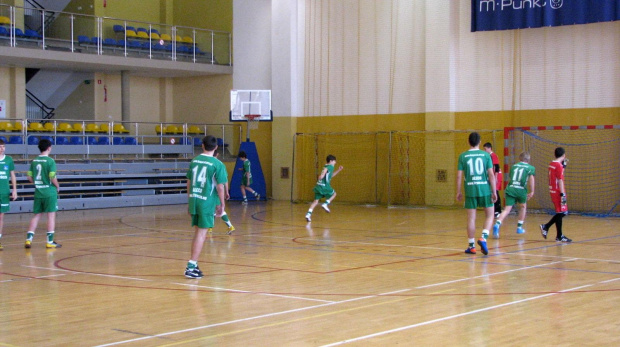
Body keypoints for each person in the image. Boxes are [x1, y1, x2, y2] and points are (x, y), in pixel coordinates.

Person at [184, 136, 228, 278]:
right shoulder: (217, 164)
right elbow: (220, 187)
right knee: (202, 234)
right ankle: (191, 266)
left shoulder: (194, 160)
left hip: (194, 199)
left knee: (198, 233)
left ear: (202, 146)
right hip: (206, 202)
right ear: (216, 148)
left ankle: (194, 265)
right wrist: (222, 204)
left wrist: (189, 200)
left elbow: (189, 182)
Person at [456, 132, 497, 255]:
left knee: (471, 218)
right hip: (484, 188)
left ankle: (471, 246)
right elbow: (491, 174)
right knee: (490, 215)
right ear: (479, 142)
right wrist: (494, 191)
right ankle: (483, 238)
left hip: (470, 189)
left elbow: (459, 176)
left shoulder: (463, 156)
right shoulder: (486, 155)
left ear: (468, 142)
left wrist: (458, 191)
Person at [25, 139, 61, 249]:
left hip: (38, 192)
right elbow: (52, 176)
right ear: (49, 148)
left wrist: (36, 182)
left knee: (37, 215)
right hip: (49, 192)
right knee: (51, 216)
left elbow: (29, 177)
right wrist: (57, 185)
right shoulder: (50, 161)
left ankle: (28, 239)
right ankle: (49, 241)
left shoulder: (34, 161)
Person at [492, 152, 535, 238]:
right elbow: (531, 180)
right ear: (528, 160)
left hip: (510, 188)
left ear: (520, 159)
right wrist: (532, 191)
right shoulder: (530, 168)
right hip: (521, 189)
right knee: (523, 207)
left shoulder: (514, 166)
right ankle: (519, 227)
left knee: (507, 209)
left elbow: (511, 177)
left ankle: (497, 224)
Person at [540, 147, 572, 242]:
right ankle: (546, 226)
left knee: (560, 212)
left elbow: (558, 175)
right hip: (558, 191)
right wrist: (562, 194)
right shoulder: (558, 166)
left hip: (553, 190)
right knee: (563, 213)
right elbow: (560, 180)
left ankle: (559, 235)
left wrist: (563, 167)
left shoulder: (552, 164)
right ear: (563, 155)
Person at [305, 154, 343, 222]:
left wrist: (338, 170)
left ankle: (308, 214)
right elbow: (325, 171)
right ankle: (325, 204)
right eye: (334, 161)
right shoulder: (330, 166)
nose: (335, 162)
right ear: (331, 161)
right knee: (334, 194)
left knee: (315, 201)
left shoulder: (326, 166)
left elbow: (331, 176)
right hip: (324, 186)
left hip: (319, 186)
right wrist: (322, 175)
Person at [0, 139, 18, 250]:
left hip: (4, 193)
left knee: (1, 217)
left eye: (3, 146)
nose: (2, 148)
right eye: (0, 146)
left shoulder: (8, 159)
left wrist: (14, 190)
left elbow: (12, 175)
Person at [214, 151, 235, 234]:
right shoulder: (221, 164)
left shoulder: (210, 164)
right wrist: (227, 191)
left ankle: (230, 226)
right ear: (217, 154)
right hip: (218, 189)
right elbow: (225, 179)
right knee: (215, 208)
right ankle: (229, 226)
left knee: (217, 208)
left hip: (213, 190)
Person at [483, 142, 503, 218]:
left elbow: (497, 167)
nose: (484, 150)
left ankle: (498, 211)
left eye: (485, 149)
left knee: (495, 192)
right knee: (493, 192)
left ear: (489, 148)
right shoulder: (488, 156)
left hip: (496, 176)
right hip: (494, 175)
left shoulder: (493, 155)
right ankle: (495, 210)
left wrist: (495, 177)